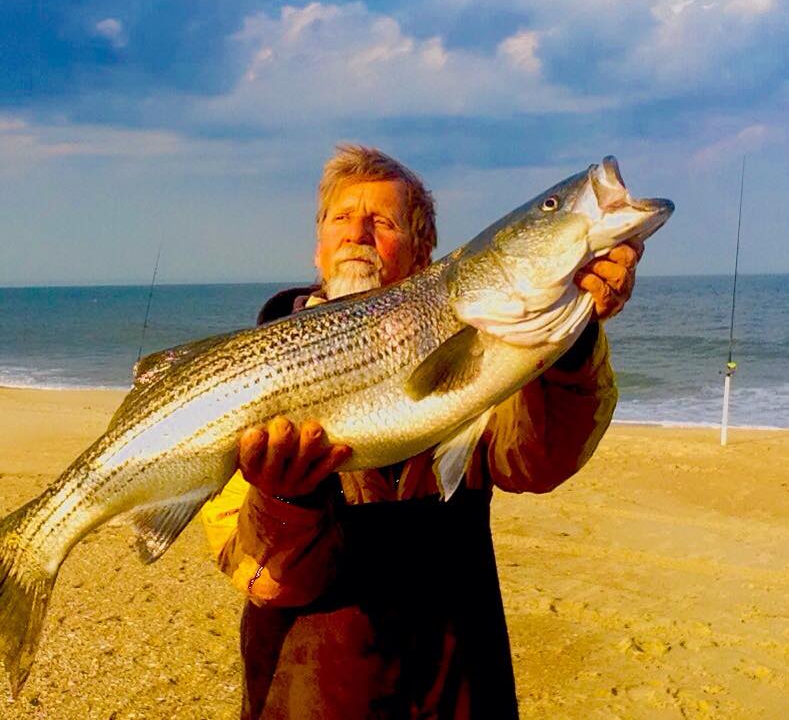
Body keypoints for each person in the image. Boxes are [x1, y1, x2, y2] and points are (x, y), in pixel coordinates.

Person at [200, 145, 642, 719]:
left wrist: (572, 337)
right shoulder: (248, 376)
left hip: (455, 690)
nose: (357, 233)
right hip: (306, 697)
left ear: (423, 252)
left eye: (381, 221)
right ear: (318, 246)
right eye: (341, 218)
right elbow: (261, 578)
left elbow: (538, 460)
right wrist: (284, 500)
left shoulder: (486, 354)